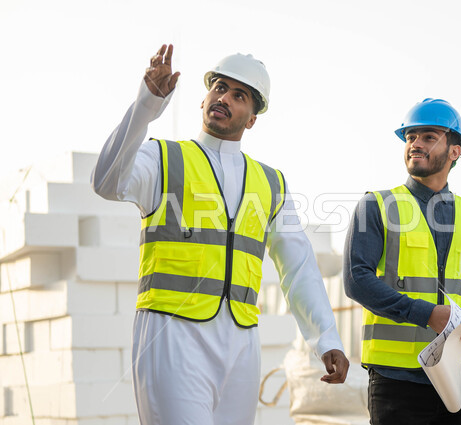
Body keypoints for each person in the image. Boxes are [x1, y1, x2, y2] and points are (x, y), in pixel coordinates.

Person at [92, 44, 349, 425]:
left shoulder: (270, 182)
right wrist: (146, 106)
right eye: (219, 88)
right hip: (172, 334)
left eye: (238, 95)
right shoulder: (163, 158)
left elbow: (299, 269)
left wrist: (326, 339)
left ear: (252, 119)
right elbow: (107, 182)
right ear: (203, 99)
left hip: (241, 342)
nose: (224, 98)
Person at [343, 98, 461, 424]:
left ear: (455, 151)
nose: (415, 144)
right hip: (395, 379)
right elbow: (356, 278)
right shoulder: (377, 205)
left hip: (456, 369)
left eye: (428, 137)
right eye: (410, 137)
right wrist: (428, 314)